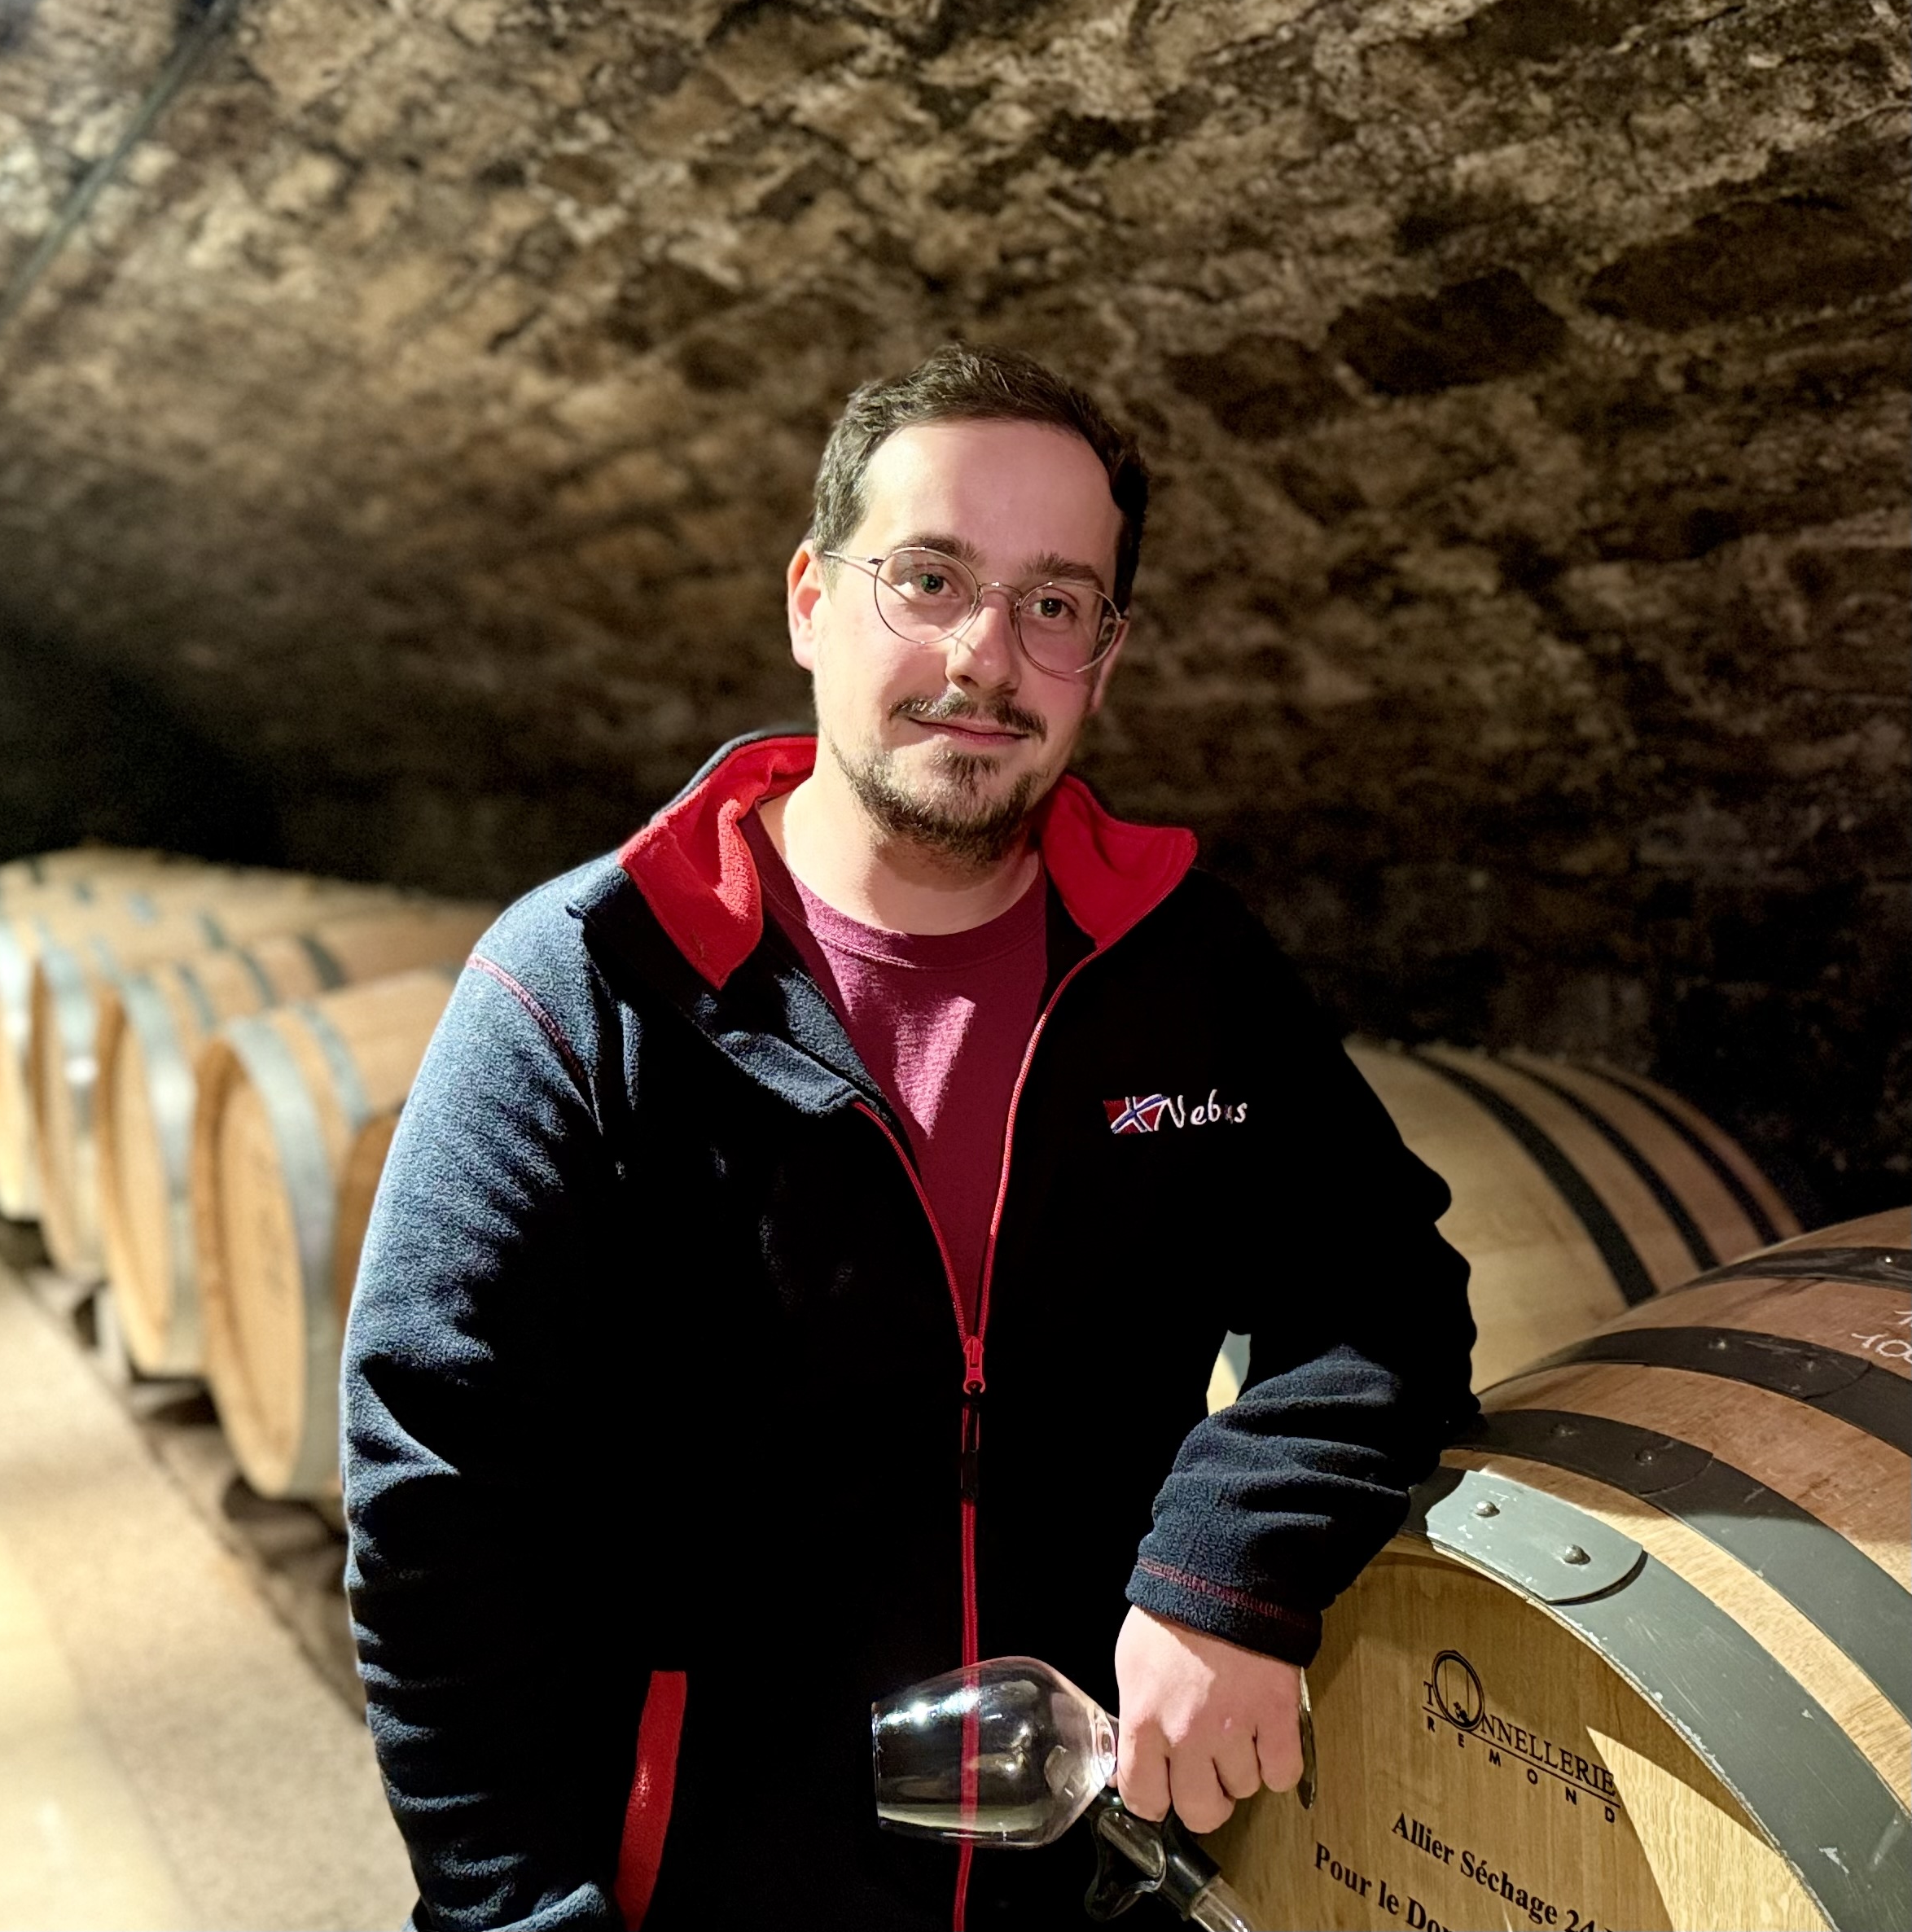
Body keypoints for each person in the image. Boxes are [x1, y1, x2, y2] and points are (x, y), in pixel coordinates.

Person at [342, 344, 1476, 1932]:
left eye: (1052, 603)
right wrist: (515, 1912)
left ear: (1107, 651)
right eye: (927, 577)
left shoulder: (1188, 973)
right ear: (810, 598)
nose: (983, 655)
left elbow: (1385, 1294)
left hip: (1085, 1879)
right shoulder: (588, 985)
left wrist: (1229, 1566)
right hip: (702, 1895)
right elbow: (435, 1492)